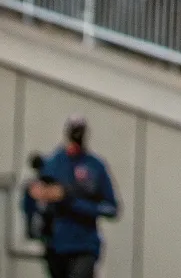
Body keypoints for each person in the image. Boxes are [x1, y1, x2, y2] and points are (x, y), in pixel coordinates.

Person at [24, 116, 118, 278]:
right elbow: (32, 196)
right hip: (56, 245)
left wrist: (72, 201)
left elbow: (111, 208)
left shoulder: (94, 166)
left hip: (84, 245)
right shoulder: (54, 162)